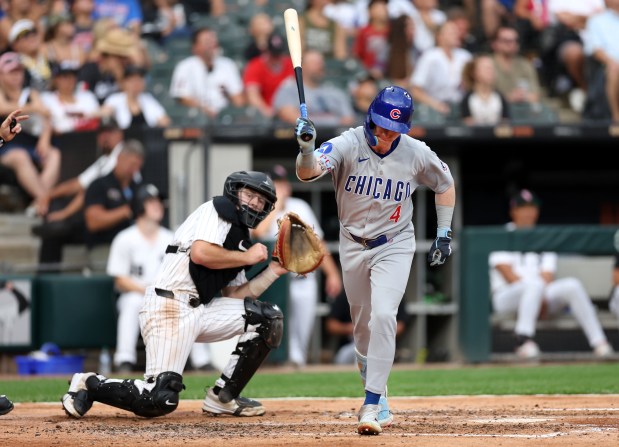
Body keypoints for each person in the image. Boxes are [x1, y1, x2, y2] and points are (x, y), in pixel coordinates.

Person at [61, 170, 293, 420]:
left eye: (261, 201)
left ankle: (223, 397)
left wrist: (274, 270)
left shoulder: (239, 239)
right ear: (234, 192)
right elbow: (200, 253)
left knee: (268, 319)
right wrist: (248, 257)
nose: (255, 203)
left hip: (200, 310)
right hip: (168, 305)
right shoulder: (217, 208)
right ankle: (89, 383)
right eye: (249, 195)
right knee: (159, 400)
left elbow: (235, 295)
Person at [294, 85, 456, 435]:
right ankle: (376, 388)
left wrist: (444, 233)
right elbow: (307, 172)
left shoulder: (415, 153)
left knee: (385, 315)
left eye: (393, 130)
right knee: (363, 328)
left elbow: (445, 183)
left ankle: (372, 402)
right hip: (352, 244)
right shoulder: (347, 144)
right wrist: (306, 150)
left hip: (395, 242)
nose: (385, 135)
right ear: (369, 119)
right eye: (381, 126)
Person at [489, 189, 614, 360]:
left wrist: (538, 299)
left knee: (572, 285)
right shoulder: (502, 235)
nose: (529, 212)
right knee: (533, 284)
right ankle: (523, 340)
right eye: (524, 208)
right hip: (507, 297)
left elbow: (548, 276)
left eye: (532, 208)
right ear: (514, 211)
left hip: (539, 296)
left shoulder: (544, 237)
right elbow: (508, 275)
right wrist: (536, 297)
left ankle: (600, 343)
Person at [106, 183, 212, 373]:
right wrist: (147, 291)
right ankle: (124, 360)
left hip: (167, 294)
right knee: (131, 303)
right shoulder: (124, 238)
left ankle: (202, 362)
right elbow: (119, 279)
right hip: (137, 293)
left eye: (159, 202)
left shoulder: (171, 237)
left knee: (191, 303)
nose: (158, 206)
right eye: (151, 202)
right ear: (139, 206)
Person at [252, 164, 342, 368]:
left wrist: (332, 274)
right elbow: (257, 233)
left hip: (300, 278)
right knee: (274, 325)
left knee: (301, 328)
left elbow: (317, 242)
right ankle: (275, 363)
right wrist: (277, 205)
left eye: (283, 184)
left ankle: (295, 363)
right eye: (276, 184)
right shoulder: (261, 207)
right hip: (272, 281)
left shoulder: (299, 206)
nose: (281, 188)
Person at [32, 116, 130, 271]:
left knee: (54, 231)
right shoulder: (105, 159)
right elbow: (78, 183)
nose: (104, 137)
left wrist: (63, 214)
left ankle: (46, 284)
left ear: (119, 134)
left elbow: (88, 191)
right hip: (98, 220)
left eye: (109, 132)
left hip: (112, 224)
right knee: (53, 232)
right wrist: (48, 195)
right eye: (102, 132)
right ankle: (47, 284)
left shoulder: (121, 155)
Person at [83, 139, 145, 270]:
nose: (133, 170)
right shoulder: (100, 185)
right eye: (131, 164)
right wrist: (124, 212)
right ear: (119, 158)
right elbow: (93, 222)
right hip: (105, 246)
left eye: (137, 166)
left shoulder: (138, 188)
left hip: (135, 245)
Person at [326, 289, 410, 365]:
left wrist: (379, 333)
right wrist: (355, 329)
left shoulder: (391, 293)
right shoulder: (348, 292)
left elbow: (400, 326)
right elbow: (331, 325)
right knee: (348, 356)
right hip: (351, 344)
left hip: (380, 344)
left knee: (377, 354)